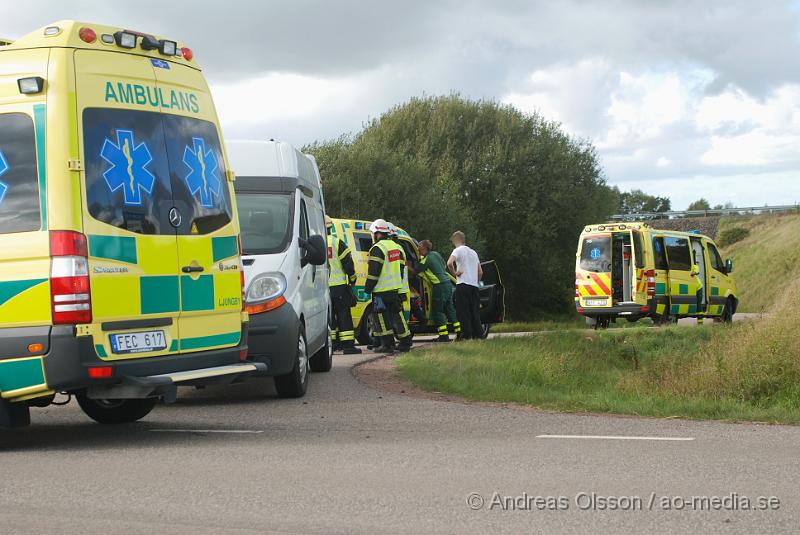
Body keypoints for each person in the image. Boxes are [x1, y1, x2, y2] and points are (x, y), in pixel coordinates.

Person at [365, 219, 413, 353]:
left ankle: (387, 344)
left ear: (377, 233)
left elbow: (374, 272)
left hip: (381, 290)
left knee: (381, 316)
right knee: (398, 315)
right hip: (394, 289)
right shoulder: (395, 246)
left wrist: (367, 288)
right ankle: (405, 341)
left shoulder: (377, 248)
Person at [326, 216, 362, 354]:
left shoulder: (317, 243)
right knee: (343, 315)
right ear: (331, 228)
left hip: (322, 288)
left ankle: (333, 345)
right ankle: (347, 346)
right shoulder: (336, 243)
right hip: (339, 287)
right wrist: (353, 280)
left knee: (330, 318)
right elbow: (348, 264)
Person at [416, 239, 460, 342]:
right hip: (448, 284)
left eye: (419, 247)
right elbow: (444, 265)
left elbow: (416, 271)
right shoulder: (436, 254)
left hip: (439, 286)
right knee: (450, 309)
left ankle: (444, 336)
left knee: (437, 311)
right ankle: (460, 332)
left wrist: (407, 265)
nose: (417, 249)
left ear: (423, 248)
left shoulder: (426, 260)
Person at [447, 231, 483, 340]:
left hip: (463, 285)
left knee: (463, 311)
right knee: (474, 311)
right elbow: (480, 272)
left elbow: (449, 263)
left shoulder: (457, 250)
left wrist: (454, 273)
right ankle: (478, 334)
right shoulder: (473, 252)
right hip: (473, 286)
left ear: (456, 240)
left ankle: (466, 335)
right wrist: (476, 281)